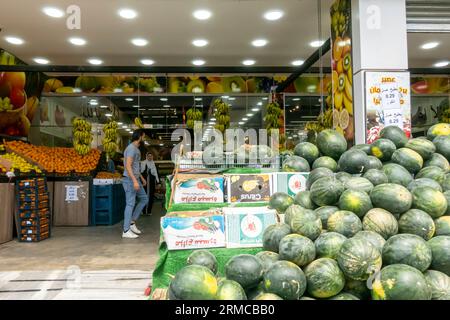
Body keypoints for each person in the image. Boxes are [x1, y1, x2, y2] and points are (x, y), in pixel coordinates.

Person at [122, 129, 149, 239]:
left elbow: (135, 166)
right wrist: (134, 180)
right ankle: (126, 230)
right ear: (140, 136)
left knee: (144, 199)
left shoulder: (136, 149)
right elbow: (128, 166)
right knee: (130, 204)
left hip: (136, 179)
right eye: (144, 136)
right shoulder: (131, 149)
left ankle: (132, 222)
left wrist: (141, 177)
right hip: (129, 180)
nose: (145, 138)